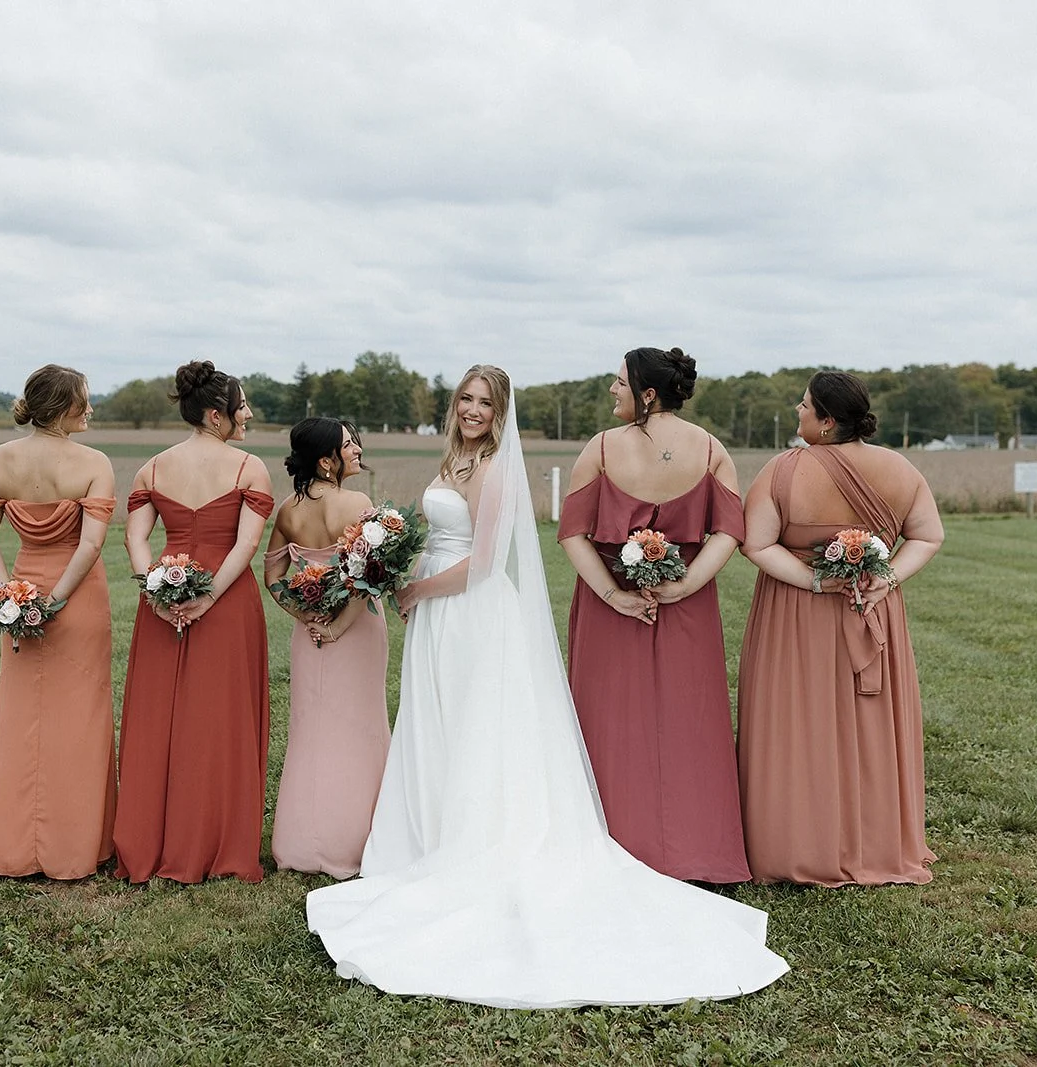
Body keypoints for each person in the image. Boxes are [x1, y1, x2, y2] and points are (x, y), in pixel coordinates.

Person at [305, 366, 788, 1009]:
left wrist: (416, 588)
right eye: (465, 398)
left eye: (485, 403)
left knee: (479, 729)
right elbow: (439, 537)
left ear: (500, 413)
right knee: (438, 722)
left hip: (471, 612)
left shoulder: (496, 470)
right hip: (437, 617)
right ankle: (426, 835)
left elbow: (481, 565)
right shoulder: (452, 461)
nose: (472, 410)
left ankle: (473, 842)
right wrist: (391, 562)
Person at [737, 371, 945, 885]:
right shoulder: (899, 468)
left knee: (795, 720)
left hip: (795, 614)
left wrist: (813, 581)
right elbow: (928, 536)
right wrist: (887, 578)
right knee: (869, 726)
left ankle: (792, 844)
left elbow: (756, 544)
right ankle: (875, 842)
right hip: (870, 607)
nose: (798, 410)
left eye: (804, 404)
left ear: (827, 421)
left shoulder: (782, 470)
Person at [558, 347, 750, 882]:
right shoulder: (711, 450)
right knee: (689, 718)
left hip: (611, 603)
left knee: (609, 719)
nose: (612, 390)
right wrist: (684, 585)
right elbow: (729, 532)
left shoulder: (599, 448)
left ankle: (611, 841)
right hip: (686, 604)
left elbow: (572, 533)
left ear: (647, 394)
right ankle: (695, 847)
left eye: (620, 382)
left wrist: (613, 595)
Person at [113, 361, 274, 884]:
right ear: (215, 415)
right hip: (227, 600)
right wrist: (206, 599)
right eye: (242, 406)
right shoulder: (249, 468)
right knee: (220, 720)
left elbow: (135, 539)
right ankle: (215, 841)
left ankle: (151, 840)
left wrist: (156, 592)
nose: (248, 414)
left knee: (159, 717)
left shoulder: (153, 469)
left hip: (165, 597)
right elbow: (246, 545)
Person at [0, 364, 117, 879]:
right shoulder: (93, 463)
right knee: (81, 716)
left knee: (18, 716)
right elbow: (90, 545)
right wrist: (56, 600)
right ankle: (75, 845)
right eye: (84, 400)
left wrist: (9, 593)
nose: (90, 408)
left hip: (23, 587)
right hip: (78, 596)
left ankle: (8, 844)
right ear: (62, 407)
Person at [263, 418, 391, 879]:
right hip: (356, 631)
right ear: (325, 461)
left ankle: (302, 842)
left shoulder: (288, 510)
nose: (357, 450)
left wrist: (305, 616)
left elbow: (272, 576)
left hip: (310, 634)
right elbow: (368, 578)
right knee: (360, 727)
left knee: (312, 732)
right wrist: (336, 627)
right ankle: (355, 841)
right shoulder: (356, 503)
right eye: (348, 445)